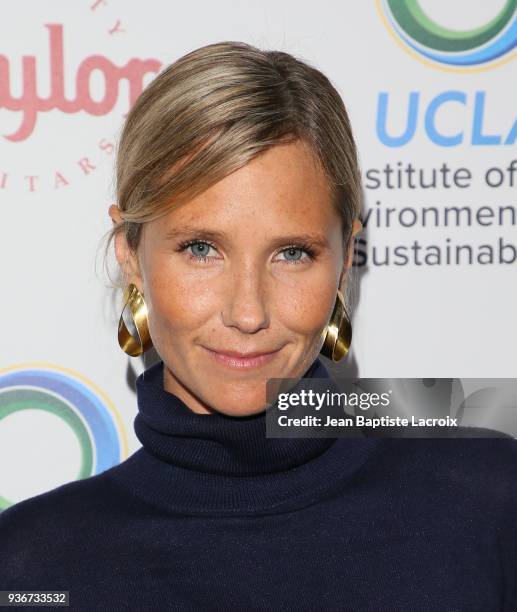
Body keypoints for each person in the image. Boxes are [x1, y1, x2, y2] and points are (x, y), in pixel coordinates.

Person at [1, 40, 516, 611]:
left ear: (346, 260)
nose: (248, 313)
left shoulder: (489, 504)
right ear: (130, 252)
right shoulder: (29, 565)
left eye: (292, 253)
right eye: (201, 249)